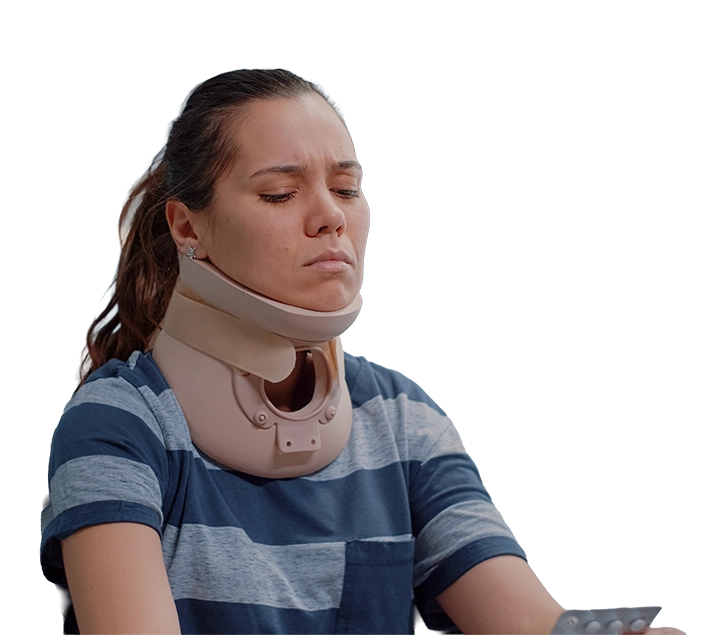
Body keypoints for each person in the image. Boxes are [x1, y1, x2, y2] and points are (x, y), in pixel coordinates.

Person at [39, 68, 686, 635]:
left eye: (346, 189)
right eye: (280, 193)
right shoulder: (122, 426)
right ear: (188, 227)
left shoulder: (401, 420)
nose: (331, 217)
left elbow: (524, 621)